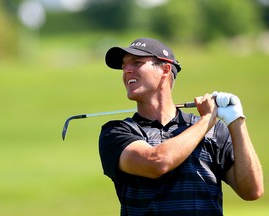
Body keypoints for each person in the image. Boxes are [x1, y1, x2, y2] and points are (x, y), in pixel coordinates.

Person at [98, 37, 263, 216]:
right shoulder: (116, 132)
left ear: (165, 69)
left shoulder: (214, 132)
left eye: (137, 63)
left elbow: (252, 191)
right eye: (124, 65)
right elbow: (157, 162)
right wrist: (207, 119)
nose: (127, 70)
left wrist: (236, 121)